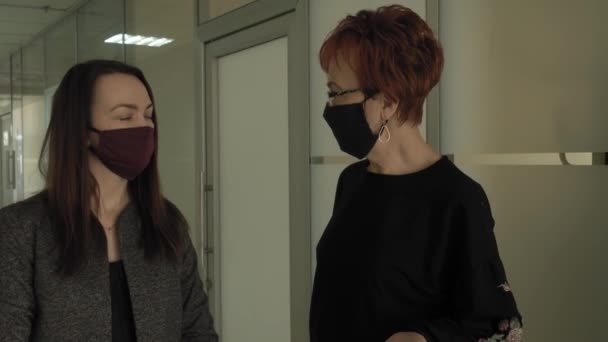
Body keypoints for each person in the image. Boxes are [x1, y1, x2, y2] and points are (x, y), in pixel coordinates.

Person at [309, 6, 523, 342]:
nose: (330, 106)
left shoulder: (456, 199)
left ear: (388, 102)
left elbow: (499, 327)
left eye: (337, 93)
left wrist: (426, 338)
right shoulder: (351, 181)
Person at [0, 60, 218, 341]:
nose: (144, 127)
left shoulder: (166, 221)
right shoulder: (20, 229)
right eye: (125, 117)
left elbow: (197, 330)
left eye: (149, 115)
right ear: (81, 131)